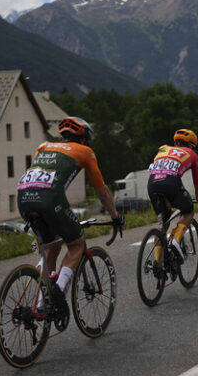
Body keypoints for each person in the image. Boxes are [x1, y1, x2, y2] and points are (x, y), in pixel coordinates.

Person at [17, 116, 123, 315]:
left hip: (23, 199)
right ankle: (58, 288)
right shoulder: (85, 151)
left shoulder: (44, 146)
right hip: (50, 200)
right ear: (84, 138)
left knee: (53, 243)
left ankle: (42, 303)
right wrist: (115, 216)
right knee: (76, 243)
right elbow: (102, 191)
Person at [147, 129, 198, 264]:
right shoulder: (193, 154)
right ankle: (176, 241)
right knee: (188, 211)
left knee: (163, 223)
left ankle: (157, 263)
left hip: (152, 183)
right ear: (191, 145)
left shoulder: (163, 148)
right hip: (171, 182)